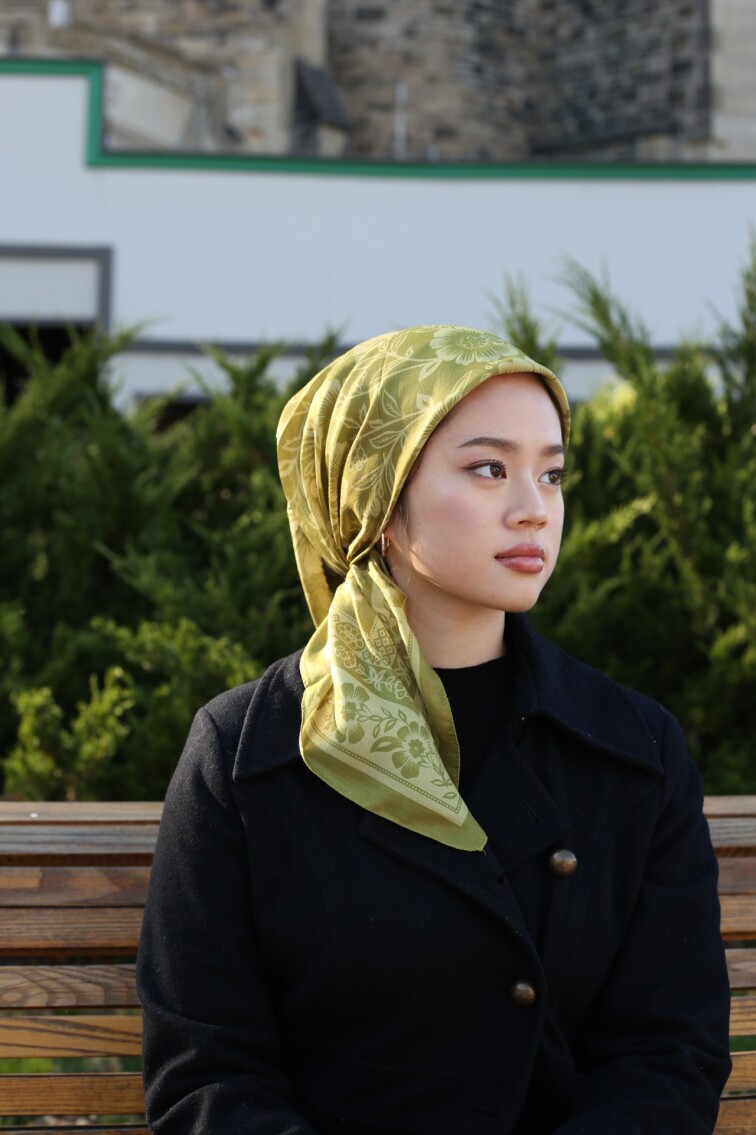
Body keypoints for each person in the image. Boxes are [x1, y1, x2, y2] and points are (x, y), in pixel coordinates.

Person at [137, 325, 731, 1134]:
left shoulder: (634, 748)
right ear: (378, 498)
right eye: (490, 469)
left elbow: (668, 1052)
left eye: (552, 473)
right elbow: (207, 1071)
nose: (534, 509)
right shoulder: (248, 751)